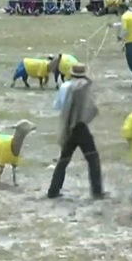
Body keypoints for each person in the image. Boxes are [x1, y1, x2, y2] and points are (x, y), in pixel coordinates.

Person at [48, 63, 106, 200]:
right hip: (80, 127)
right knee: (92, 158)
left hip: (68, 126)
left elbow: (58, 106)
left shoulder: (65, 86)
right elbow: (90, 107)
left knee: (64, 160)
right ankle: (97, 191)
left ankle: (53, 190)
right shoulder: (84, 87)